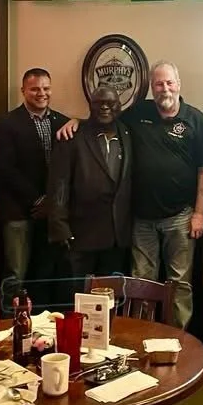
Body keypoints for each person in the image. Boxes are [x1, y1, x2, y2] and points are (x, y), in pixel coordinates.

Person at [58, 61, 203, 329]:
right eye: (159, 84)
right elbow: (104, 115)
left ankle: (179, 338)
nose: (165, 89)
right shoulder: (138, 114)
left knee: (181, 283)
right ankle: (144, 336)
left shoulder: (196, 119)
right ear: (152, 87)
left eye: (169, 83)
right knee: (141, 283)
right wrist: (77, 122)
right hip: (141, 219)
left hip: (180, 217)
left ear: (179, 84)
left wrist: (199, 213)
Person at [0, 68, 69, 290]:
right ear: (24, 90)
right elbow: (5, 169)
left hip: (50, 213)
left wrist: (51, 203)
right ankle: (8, 321)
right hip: (18, 211)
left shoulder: (61, 121)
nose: (41, 93)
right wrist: (37, 200)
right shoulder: (7, 123)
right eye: (35, 89)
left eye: (46, 88)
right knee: (15, 275)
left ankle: (36, 321)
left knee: (42, 274)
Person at [48, 86, 132, 278]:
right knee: (77, 297)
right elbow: (59, 185)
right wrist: (60, 227)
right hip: (81, 235)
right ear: (90, 106)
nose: (104, 107)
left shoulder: (128, 134)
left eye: (110, 103)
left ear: (119, 106)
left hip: (117, 237)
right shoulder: (72, 136)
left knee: (111, 298)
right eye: (98, 103)